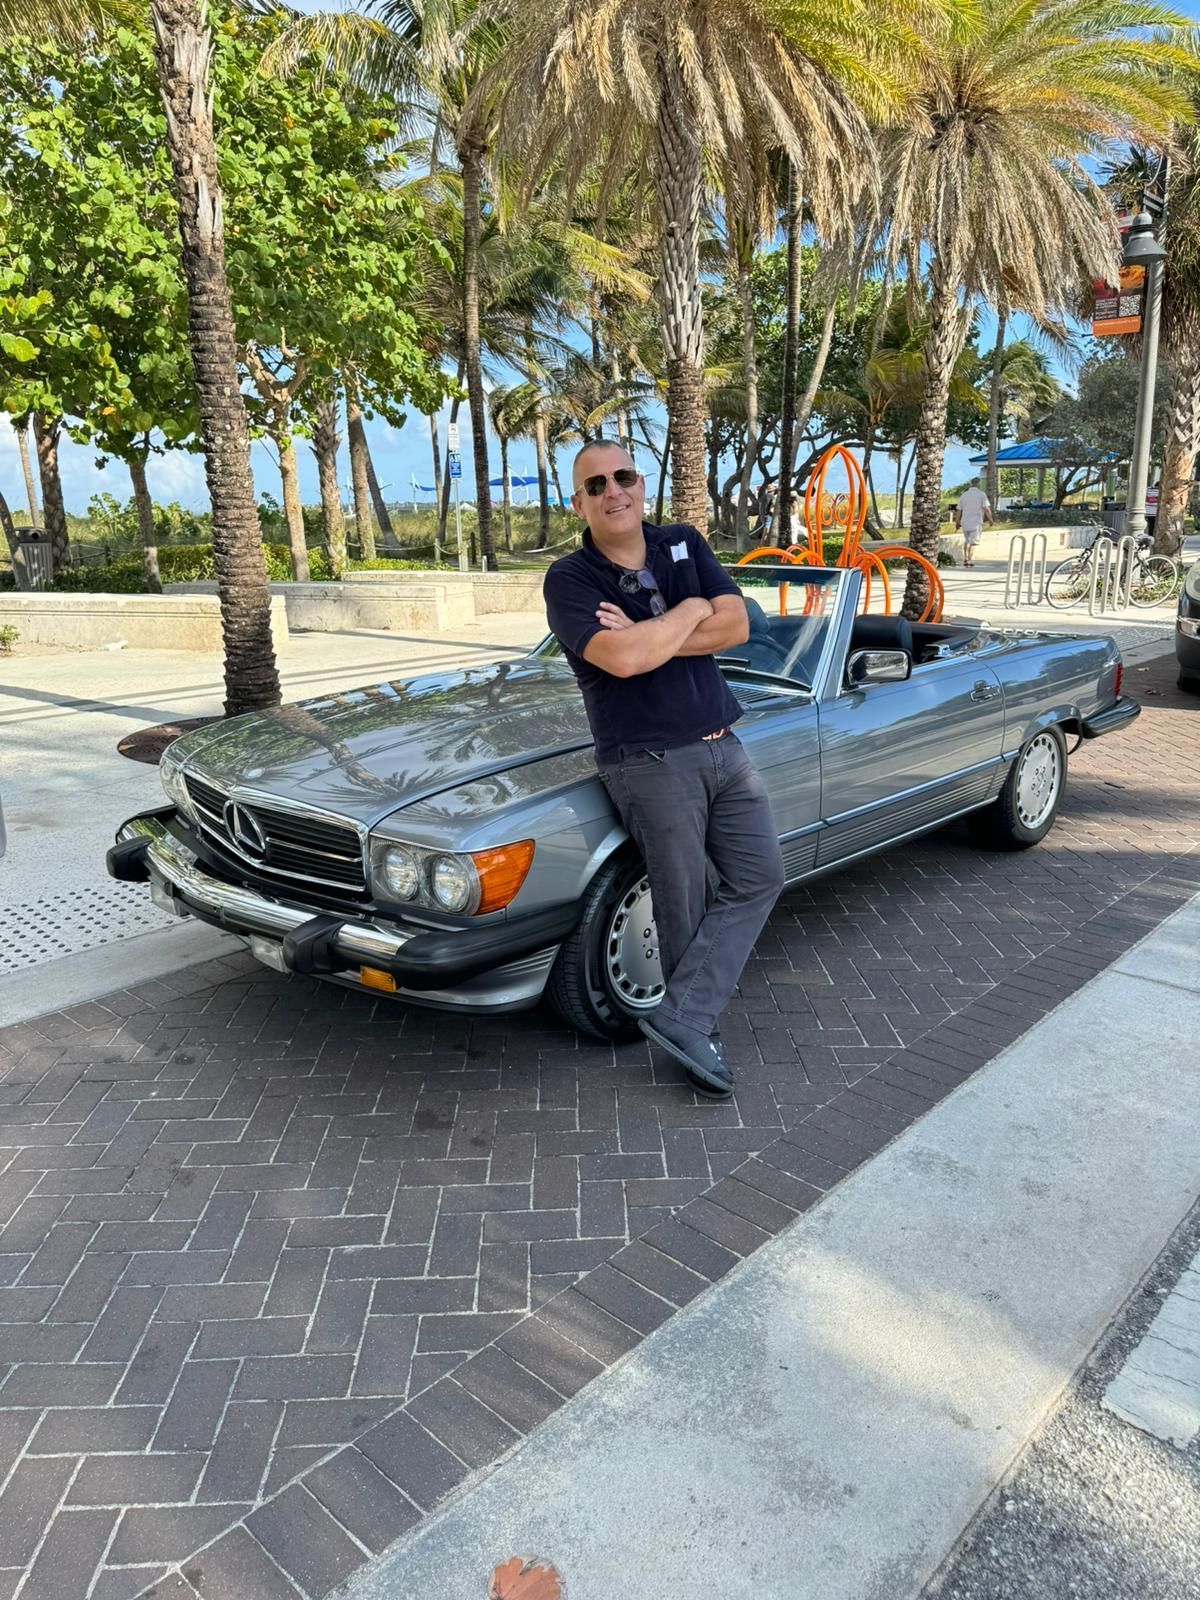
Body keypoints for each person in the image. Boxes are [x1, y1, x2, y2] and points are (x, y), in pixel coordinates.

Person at [543, 440, 785, 1100]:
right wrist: (685, 610)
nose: (612, 490)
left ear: (641, 484)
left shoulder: (682, 541)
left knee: (761, 876)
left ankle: (680, 1014)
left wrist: (653, 634)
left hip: (723, 745)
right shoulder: (569, 579)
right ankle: (695, 1027)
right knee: (683, 903)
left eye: (622, 476)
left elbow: (735, 625)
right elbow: (620, 661)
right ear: (580, 501)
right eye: (596, 484)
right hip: (648, 760)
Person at [953, 477, 993, 567]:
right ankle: (969, 560)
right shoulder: (981, 494)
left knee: (967, 541)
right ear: (979, 484)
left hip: (965, 522)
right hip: (976, 522)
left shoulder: (964, 495)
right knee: (973, 542)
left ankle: (965, 559)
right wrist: (990, 519)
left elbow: (959, 510)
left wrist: (957, 522)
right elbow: (986, 508)